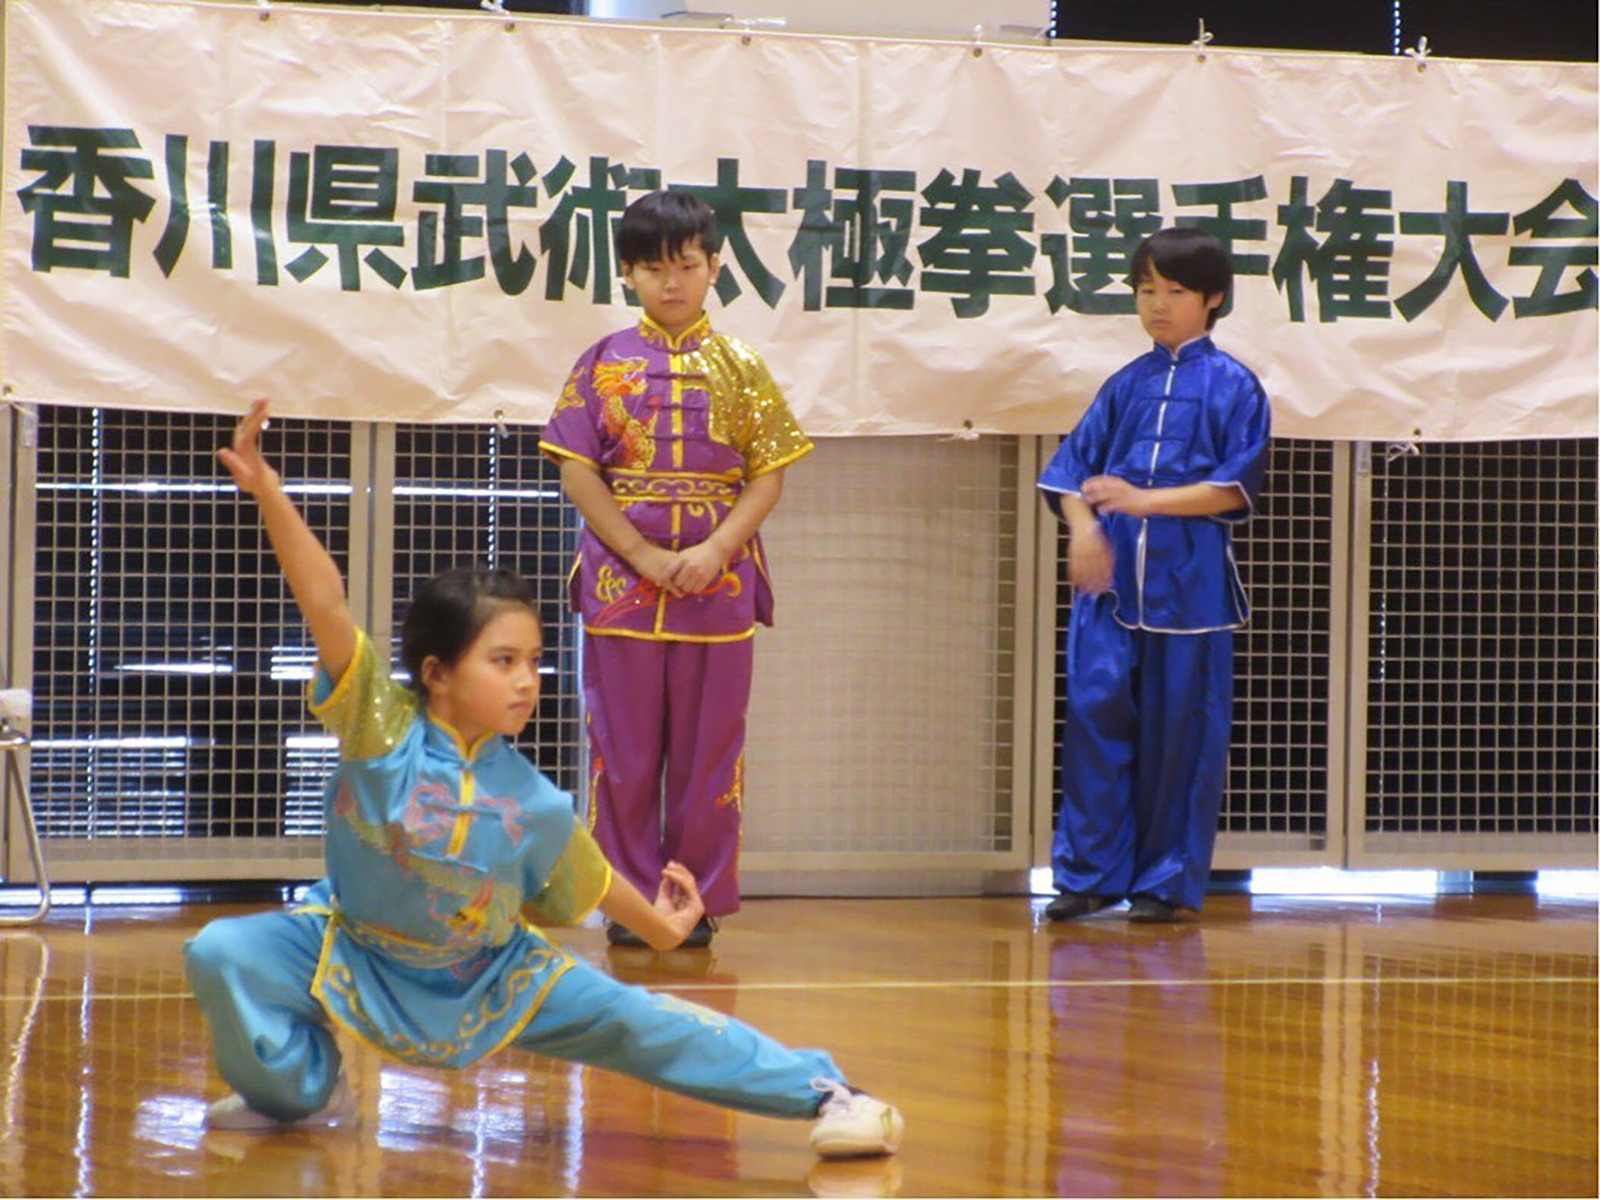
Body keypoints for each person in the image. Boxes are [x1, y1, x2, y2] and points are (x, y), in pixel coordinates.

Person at [183, 400, 902, 1160]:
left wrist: (661, 928)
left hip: (492, 976)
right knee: (225, 952)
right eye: (503, 662)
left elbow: (589, 884)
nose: (528, 681)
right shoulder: (380, 726)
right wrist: (268, 493)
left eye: (533, 661)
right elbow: (323, 600)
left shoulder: (532, 800)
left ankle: (829, 1093)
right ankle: (301, 1091)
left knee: (641, 1023)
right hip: (349, 947)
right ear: (436, 673)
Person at [539, 190, 812, 948]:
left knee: (710, 755)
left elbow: (768, 475)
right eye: (654, 268)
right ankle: (630, 904)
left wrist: (716, 550)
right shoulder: (600, 364)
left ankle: (696, 901)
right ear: (627, 274)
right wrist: (643, 554)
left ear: (714, 267)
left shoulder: (744, 367)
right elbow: (577, 472)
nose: (672, 283)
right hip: (622, 588)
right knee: (621, 753)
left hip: (716, 589)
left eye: (687, 266)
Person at [1037, 227, 1271, 924]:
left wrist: (1144, 500)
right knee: (1094, 725)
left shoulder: (1236, 386)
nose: (1157, 305)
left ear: (1213, 299)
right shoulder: (1126, 384)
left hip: (1190, 592)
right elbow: (1069, 473)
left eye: (1174, 291)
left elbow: (1233, 488)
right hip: (1110, 592)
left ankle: (1166, 883)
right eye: (1145, 290)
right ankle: (1087, 877)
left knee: (1184, 738)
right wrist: (1084, 530)